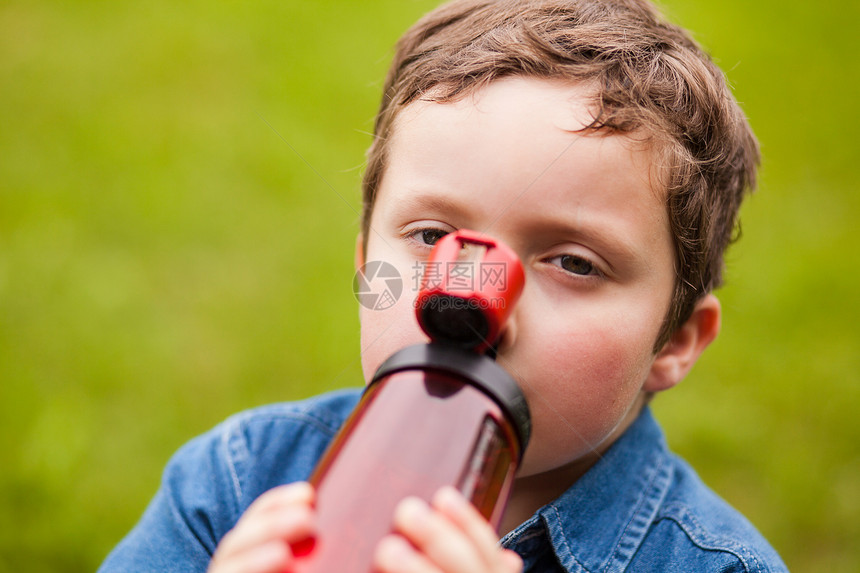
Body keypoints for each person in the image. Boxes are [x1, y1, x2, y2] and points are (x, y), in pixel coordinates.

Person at [99, 0, 789, 571]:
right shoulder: (232, 486)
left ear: (674, 340)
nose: (469, 305)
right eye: (432, 237)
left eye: (574, 262)